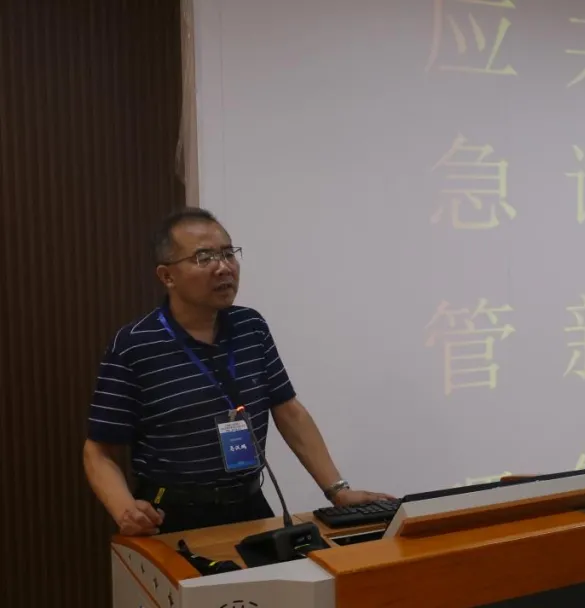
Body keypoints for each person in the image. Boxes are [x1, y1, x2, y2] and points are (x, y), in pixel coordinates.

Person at [83, 207, 392, 536]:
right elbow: (98, 451)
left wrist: (338, 490)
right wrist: (124, 509)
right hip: (172, 514)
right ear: (167, 276)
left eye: (228, 254)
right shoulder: (135, 344)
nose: (223, 267)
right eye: (204, 257)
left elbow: (288, 411)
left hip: (250, 505)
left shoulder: (251, 327)